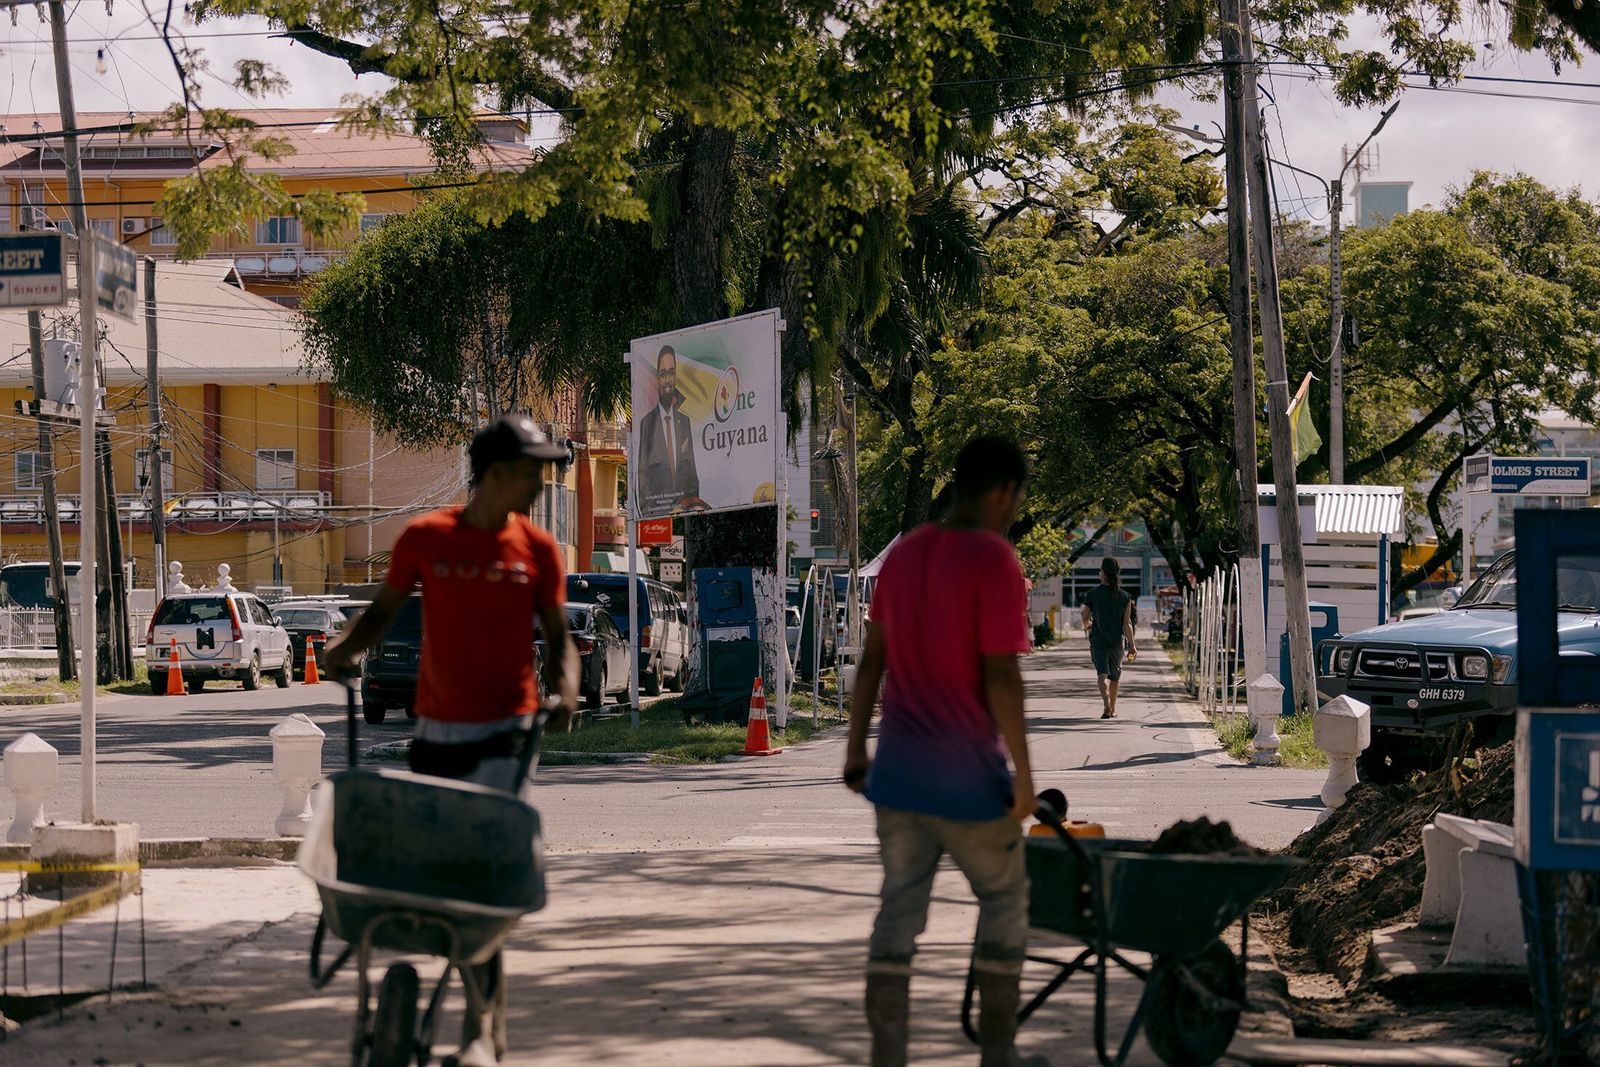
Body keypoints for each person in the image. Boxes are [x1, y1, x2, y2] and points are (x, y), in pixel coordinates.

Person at [323, 414, 579, 1067]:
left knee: (479, 875)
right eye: (531, 470)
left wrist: (567, 692)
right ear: (497, 473)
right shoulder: (426, 537)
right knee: (441, 877)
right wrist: (341, 653)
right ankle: (479, 1013)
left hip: (508, 733)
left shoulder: (539, 549)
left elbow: (560, 639)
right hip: (435, 732)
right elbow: (380, 615)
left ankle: (480, 1028)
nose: (539, 482)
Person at [843, 435, 1048, 1067]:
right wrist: (1024, 776)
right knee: (1005, 900)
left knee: (898, 912)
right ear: (1003, 492)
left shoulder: (905, 554)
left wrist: (855, 750)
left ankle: (888, 1055)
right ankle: (997, 1052)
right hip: (967, 784)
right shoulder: (994, 558)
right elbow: (1001, 676)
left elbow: (872, 659)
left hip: (898, 780)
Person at [637, 344, 700, 512]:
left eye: (671, 372)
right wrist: (649, 511)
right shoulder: (647, 423)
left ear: (675, 376)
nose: (667, 379)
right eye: (663, 373)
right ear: (657, 377)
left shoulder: (684, 421)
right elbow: (643, 476)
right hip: (658, 510)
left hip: (684, 510)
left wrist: (691, 508)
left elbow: (691, 473)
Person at [1081, 557, 1135, 719]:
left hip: (1098, 641)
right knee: (1115, 677)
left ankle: (1105, 704)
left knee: (1101, 675)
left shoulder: (1092, 594)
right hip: (1117, 642)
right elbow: (1127, 624)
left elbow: (1085, 616)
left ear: (1103, 573)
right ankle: (1112, 707)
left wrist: (1087, 624)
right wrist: (1132, 645)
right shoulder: (1125, 596)